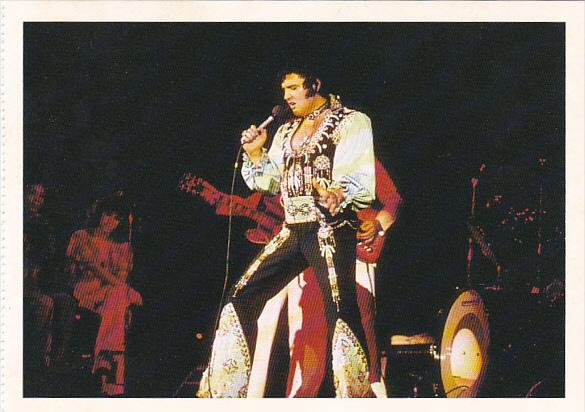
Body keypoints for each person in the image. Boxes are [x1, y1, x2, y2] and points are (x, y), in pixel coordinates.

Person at [197, 66, 376, 398]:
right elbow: (269, 182)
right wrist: (255, 154)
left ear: (315, 84)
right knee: (241, 298)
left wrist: (337, 194)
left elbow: (361, 184)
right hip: (293, 229)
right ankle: (225, 394)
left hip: (330, 230)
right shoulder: (285, 130)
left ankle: (355, 398)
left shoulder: (352, 121)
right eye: (284, 91)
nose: (288, 96)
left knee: (341, 312)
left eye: (294, 87)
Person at [65, 195, 142, 396]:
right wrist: (127, 291)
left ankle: (102, 362)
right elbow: (91, 268)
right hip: (84, 291)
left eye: (116, 218)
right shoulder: (81, 236)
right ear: (99, 213)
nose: (110, 221)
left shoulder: (123, 247)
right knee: (118, 297)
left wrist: (124, 290)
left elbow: (122, 277)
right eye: (108, 215)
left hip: (109, 296)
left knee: (116, 298)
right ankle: (108, 366)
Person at [24, 183, 77, 395]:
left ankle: (57, 361)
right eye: (32, 194)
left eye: (41, 196)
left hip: (35, 281)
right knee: (44, 303)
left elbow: (46, 256)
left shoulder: (42, 224)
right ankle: (37, 359)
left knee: (66, 301)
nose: (36, 199)